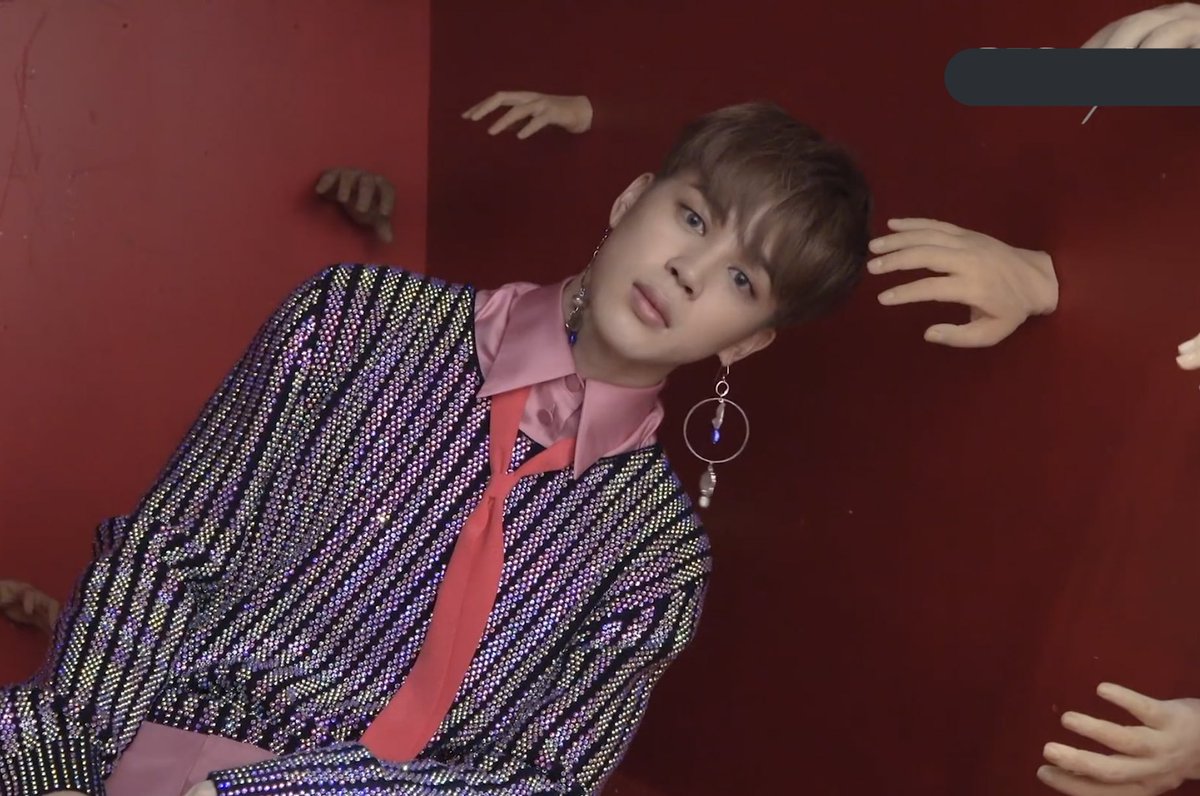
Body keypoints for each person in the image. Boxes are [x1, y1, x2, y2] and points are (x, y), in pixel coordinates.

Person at [1, 101, 873, 796]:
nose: (690, 269)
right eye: (692, 216)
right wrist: (58, 768)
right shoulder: (355, 319)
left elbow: (543, 778)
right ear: (629, 200)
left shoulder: (659, 557)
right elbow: (164, 554)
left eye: (741, 279)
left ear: (748, 340)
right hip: (140, 755)